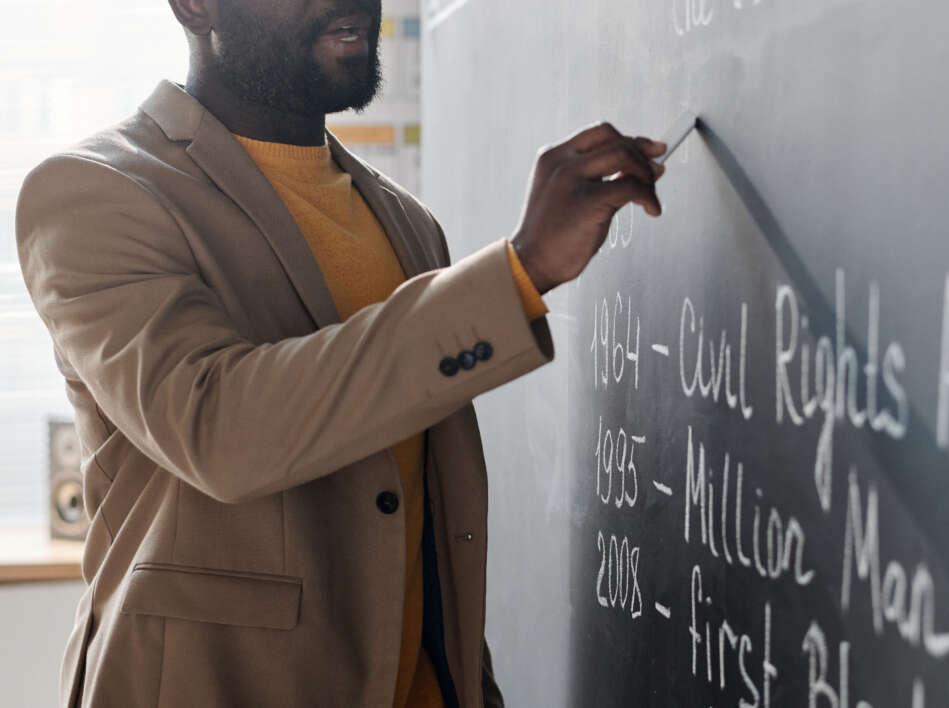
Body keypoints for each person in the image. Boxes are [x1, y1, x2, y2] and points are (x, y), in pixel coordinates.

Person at [14, 1, 666, 706]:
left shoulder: (408, 224)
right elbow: (221, 432)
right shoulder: (93, 193)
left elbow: (427, 520)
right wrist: (519, 273)